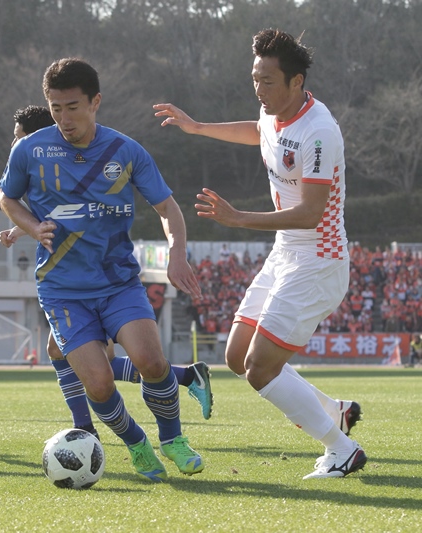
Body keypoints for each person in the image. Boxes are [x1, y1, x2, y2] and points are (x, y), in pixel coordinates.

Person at [154, 28, 365, 479]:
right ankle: (335, 411)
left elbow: (310, 213)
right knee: (237, 357)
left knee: (260, 367)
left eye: (267, 81)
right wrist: (197, 126)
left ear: (297, 81)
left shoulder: (319, 131)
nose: (259, 89)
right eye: (255, 79)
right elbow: (259, 131)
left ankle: (341, 449)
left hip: (319, 259)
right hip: (286, 253)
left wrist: (238, 219)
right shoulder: (274, 112)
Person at [0, 58, 204, 482]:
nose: (64, 118)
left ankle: (173, 439)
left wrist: (177, 253)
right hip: (61, 289)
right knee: (98, 383)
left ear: (95, 102)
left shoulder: (125, 151)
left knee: (151, 361)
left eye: (73, 107)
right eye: (55, 108)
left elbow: (167, 207)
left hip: (117, 282)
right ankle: (137, 445)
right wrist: (32, 226)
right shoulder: (29, 149)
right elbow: (8, 198)